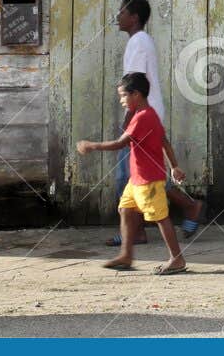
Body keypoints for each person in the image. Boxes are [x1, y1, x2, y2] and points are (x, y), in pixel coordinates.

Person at [107, 0, 206, 246]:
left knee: (134, 174)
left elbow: (137, 84)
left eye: (122, 12)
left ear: (134, 17)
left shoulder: (139, 42)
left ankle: (187, 207)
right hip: (145, 112)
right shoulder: (138, 41)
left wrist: (130, 120)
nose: (117, 16)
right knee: (137, 174)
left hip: (144, 114)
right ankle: (139, 229)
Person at [78, 73, 188, 275]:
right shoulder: (147, 114)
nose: (121, 101)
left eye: (123, 95)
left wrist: (91, 145)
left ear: (136, 94)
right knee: (126, 210)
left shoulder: (143, 117)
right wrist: (174, 166)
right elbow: (164, 141)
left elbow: (120, 143)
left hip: (148, 180)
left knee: (160, 217)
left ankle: (177, 259)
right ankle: (126, 255)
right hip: (137, 178)